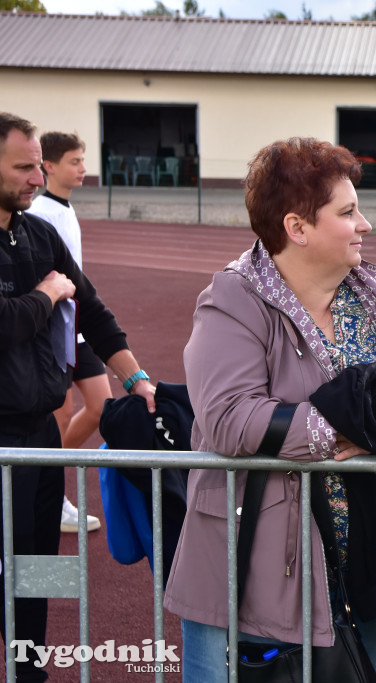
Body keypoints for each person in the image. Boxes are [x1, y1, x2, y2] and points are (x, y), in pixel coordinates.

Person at [162, 137, 376, 683]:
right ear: (297, 228)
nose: (365, 224)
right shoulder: (234, 299)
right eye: (347, 213)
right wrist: (343, 429)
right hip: (262, 562)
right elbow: (229, 417)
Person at [0, 111, 156, 682]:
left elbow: (92, 309)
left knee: (37, 565)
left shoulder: (37, 233)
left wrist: (137, 380)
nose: (36, 178)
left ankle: (29, 667)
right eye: (23, 167)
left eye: (39, 165)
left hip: (40, 436)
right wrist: (45, 293)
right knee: (6, 565)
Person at [28, 130, 105, 534]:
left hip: (74, 322)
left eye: (82, 160)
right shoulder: (40, 213)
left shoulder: (64, 209)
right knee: (60, 413)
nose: (83, 169)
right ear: (50, 166)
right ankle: (50, 493)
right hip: (53, 327)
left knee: (99, 404)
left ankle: (48, 479)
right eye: (75, 161)